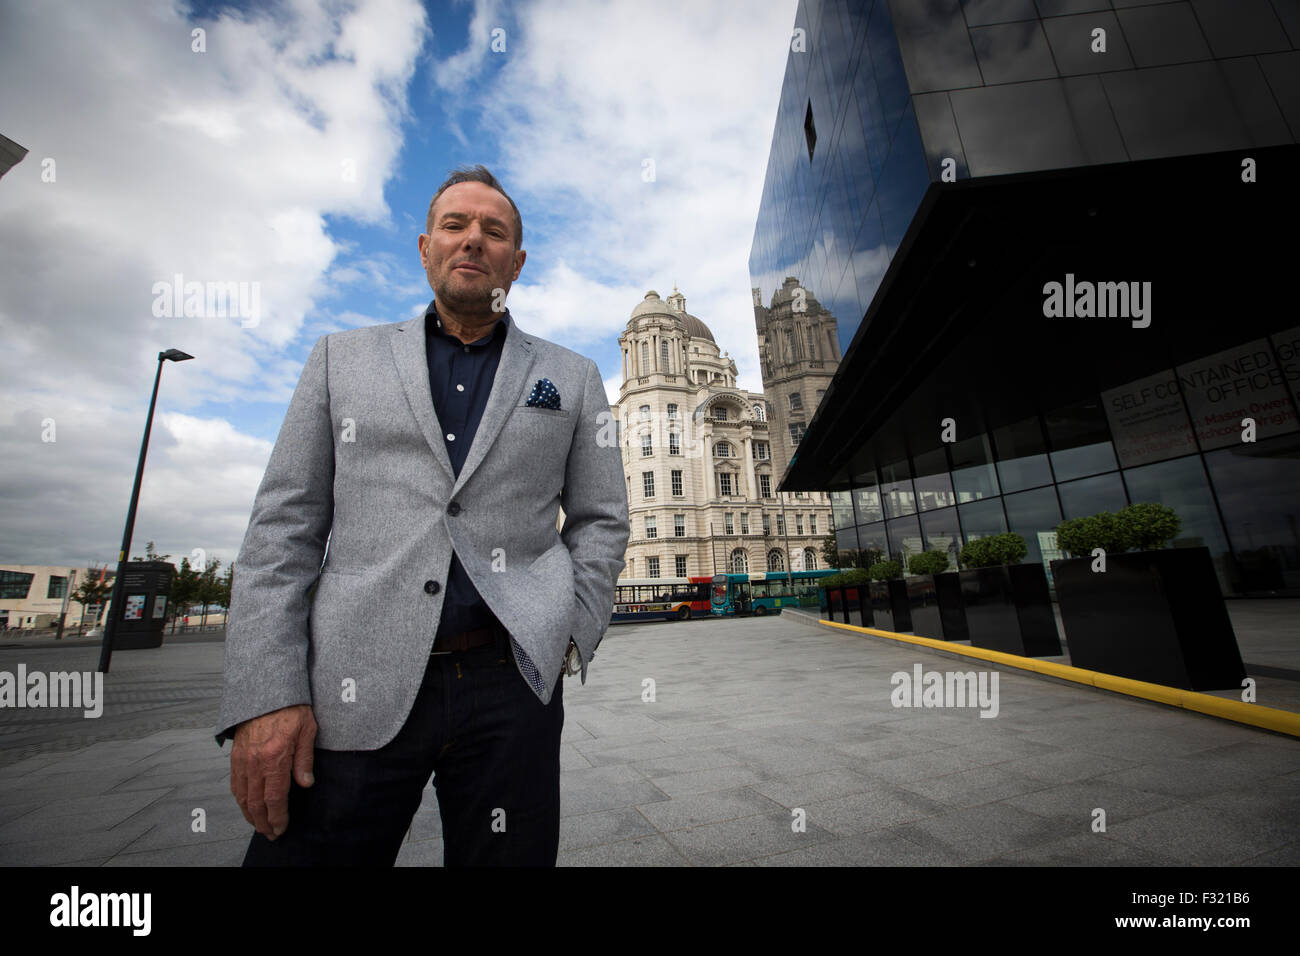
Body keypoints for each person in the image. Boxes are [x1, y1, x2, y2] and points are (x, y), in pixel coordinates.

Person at [215, 165, 630, 866]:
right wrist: (266, 694)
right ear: (424, 247)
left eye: (493, 231)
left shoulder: (575, 376)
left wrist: (567, 628)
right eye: (455, 225)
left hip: (511, 688)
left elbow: (601, 519)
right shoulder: (338, 359)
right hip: (350, 684)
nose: (473, 240)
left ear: (517, 262)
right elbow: (282, 529)